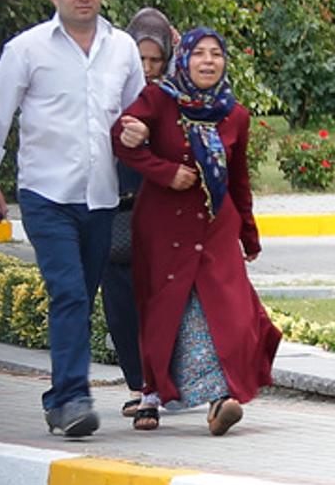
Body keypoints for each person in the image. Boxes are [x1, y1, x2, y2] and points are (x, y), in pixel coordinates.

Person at [0, 0, 146, 437]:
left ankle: (58, 399)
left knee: (81, 298)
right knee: (67, 291)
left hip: (102, 197)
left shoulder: (122, 48)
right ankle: (71, 400)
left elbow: (139, 110)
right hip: (46, 194)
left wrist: (139, 131)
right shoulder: (26, 49)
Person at [113, 27, 281, 436]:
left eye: (216, 54)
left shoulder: (234, 114)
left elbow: (238, 179)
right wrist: (165, 172)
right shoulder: (159, 99)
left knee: (227, 313)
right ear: (184, 59)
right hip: (163, 227)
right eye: (199, 53)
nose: (208, 61)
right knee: (167, 310)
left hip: (214, 226)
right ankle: (155, 391)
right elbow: (122, 140)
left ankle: (221, 398)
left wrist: (249, 234)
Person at [110, 8, 179, 425]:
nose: (149, 69)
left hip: (161, 211)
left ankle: (157, 386)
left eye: (157, 60)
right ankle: (137, 385)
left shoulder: (174, 94)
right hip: (117, 210)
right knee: (120, 302)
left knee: (161, 301)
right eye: (141, 60)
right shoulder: (112, 89)